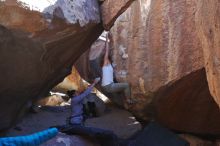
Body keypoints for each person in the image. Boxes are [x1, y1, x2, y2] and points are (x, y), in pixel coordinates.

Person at [57, 78, 119, 146]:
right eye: (76, 92)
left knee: (82, 133)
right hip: (76, 121)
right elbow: (85, 94)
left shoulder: (75, 99)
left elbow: (83, 94)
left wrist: (89, 87)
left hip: (78, 120)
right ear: (74, 95)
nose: (78, 93)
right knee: (82, 135)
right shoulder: (75, 100)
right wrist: (94, 83)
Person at [101, 32, 135, 104]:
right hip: (108, 86)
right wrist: (107, 38)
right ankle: (128, 100)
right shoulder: (105, 63)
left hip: (106, 85)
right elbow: (107, 50)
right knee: (126, 85)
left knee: (120, 85)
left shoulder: (109, 65)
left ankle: (122, 98)